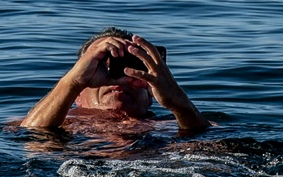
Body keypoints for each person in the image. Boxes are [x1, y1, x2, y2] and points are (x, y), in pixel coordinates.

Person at [20, 27, 210, 135]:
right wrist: (72, 82)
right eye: (103, 68)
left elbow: (212, 146)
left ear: (151, 95)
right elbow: (31, 140)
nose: (119, 80)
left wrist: (179, 103)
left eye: (131, 70)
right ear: (77, 95)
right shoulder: (56, 121)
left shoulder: (169, 124)